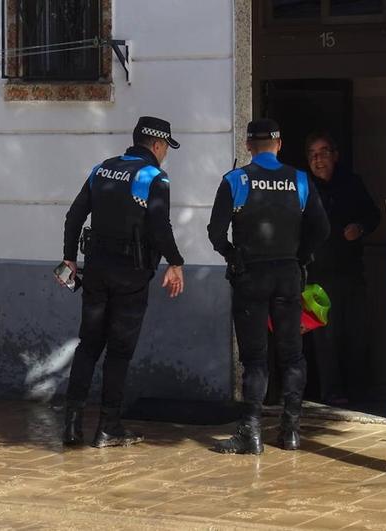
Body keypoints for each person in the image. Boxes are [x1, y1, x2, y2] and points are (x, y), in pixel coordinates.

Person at [58, 116, 185, 448]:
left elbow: (74, 216)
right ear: (157, 145)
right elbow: (160, 226)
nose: (165, 154)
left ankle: (71, 426)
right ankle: (108, 427)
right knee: (118, 352)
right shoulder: (154, 176)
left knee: (88, 346)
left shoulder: (101, 170)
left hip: (96, 271)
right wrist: (176, 261)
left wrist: (69, 257)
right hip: (131, 276)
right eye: (165, 148)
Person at [207, 118, 329, 454]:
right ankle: (290, 431)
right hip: (288, 275)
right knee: (292, 355)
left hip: (251, 276)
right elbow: (322, 228)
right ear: (279, 145)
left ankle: (251, 433)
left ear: (248, 146)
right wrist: (299, 257)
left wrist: (234, 257)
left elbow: (215, 233)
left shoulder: (235, 180)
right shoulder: (300, 179)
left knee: (255, 359)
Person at [304, 131, 380, 405]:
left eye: (323, 152)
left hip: (350, 271)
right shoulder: (304, 187)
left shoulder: (351, 183)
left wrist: (360, 228)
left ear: (335, 155)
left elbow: (373, 215)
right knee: (324, 336)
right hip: (317, 275)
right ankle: (330, 393)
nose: (318, 159)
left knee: (355, 331)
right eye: (312, 155)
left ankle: (359, 390)